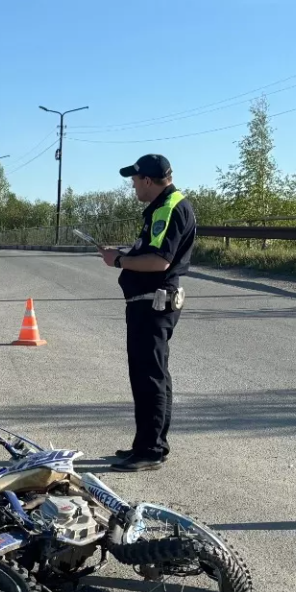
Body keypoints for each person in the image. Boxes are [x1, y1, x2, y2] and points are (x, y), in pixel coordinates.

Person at [97, 154, 197, 473]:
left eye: (135, 180)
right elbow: (149, 251)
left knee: (149, 376)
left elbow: (159, 261)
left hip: (153, 302)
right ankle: (147, 443)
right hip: (149, 301)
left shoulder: (168, 208)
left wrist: (117, 261)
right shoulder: (162, 207)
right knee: (151, 374)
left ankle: (151, 450)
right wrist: (125, 254)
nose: (133, 185)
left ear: (149, 181)